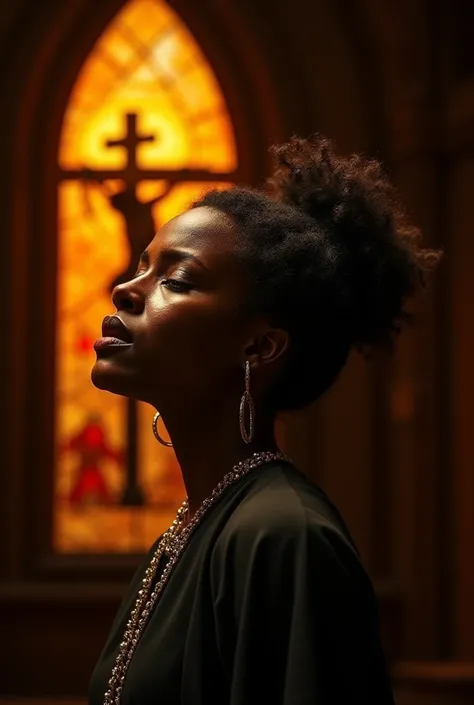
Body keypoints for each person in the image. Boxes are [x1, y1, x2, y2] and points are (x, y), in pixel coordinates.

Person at [88, 135, 439, 705]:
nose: (126, 290)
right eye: (141, 268)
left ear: (260, 347)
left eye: (175, 280)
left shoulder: (283, 536)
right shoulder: (191, 529)